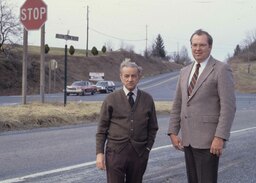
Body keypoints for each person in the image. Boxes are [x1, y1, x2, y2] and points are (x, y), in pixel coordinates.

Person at [168, 29, 236, 183]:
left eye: (202, 45)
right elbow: (178, 103)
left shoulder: (221, 69)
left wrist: (220, 137)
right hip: (188, 140)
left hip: (209, 141)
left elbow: (228, 107)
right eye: (194, 45)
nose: (197, 49)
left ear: (210, 47)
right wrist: (173, 131)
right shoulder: (184, 71)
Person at [96, 58, 159, 183]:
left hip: (139, 154)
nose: (130, 79)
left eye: (133, 76)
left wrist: (147, 149)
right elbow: (102, 129)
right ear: (121, 77)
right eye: (126, 76)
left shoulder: (147, 99)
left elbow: (152, 127)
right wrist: (99, 153)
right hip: (115, 153)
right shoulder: (111, 99)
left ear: (138, 77)